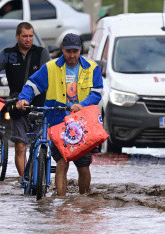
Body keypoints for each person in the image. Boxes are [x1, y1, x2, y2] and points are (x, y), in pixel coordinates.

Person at [16, 33, 103, 196]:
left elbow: (97, 93)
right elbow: (32, 84)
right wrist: (24, 99)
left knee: (83, 166)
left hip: (82, 123)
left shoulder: (92, 68)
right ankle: (62, 202)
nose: (71, 55)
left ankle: (83, 201)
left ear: (80, 51)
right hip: (57, 122)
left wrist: (81, 105)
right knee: (61, 163)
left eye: (75, 51)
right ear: (62, 49)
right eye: (68, 51)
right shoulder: (51, 67)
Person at [0, 22, 50, 178]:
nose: (28, 39)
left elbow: (49, 75)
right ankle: (25, 180)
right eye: (24, 36)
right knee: (20, 147)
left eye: (31, 36)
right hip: (17, 106)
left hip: (39, 106)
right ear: (17, 36)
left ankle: (39, 177)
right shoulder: (8, 53)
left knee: (40, 145)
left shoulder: (41, 53)